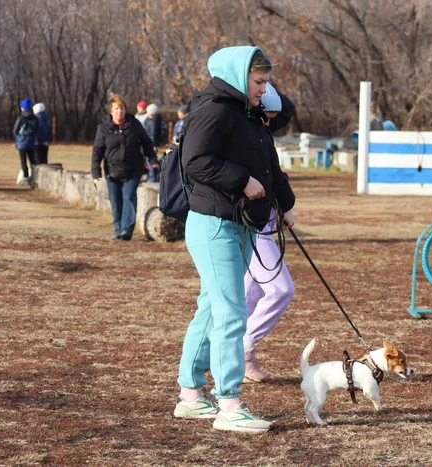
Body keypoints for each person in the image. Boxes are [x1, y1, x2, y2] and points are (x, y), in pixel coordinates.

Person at [174, 46, 295, 433]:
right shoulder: (213, 108)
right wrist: (242, 181)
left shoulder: (247, 113)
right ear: (238, 75)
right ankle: (229, 405)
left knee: (212, 308)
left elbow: (269, 165)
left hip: (239, 223)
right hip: (214, 225)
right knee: (231, 313)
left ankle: (191, 397)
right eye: (259, 81)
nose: (264, 89)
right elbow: (195, 161)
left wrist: (285, 204)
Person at [242, 82, 296, 383]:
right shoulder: (247, 136)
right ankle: (244, 347)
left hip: (266, 224)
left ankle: (238, 357)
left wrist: (269, 91)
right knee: (280, 289)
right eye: (268, 116)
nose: (273, 122)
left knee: (249, 294)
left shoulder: (262, 133)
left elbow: (286, 107)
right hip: (253, 228)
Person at [91, 94, 158, 241]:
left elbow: (146, 143)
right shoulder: (103, 128)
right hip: (111, 170)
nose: (119, 112)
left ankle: (126, 230)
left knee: (128, 197)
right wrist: (95, 172)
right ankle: (118, 228)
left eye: (122, 108)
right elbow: (97, 150)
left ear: (125, 110)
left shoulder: (134, 125)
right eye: (116, 109)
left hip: (132, 170)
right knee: (115, 201)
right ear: (111, 111)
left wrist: (152, 159)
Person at [12, 98, 39, 185]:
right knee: (32, 159)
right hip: (31, 141)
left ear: (23, 108)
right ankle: (35, 176)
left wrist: (17, 137)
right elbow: (37, 129)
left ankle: (26, 177)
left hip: (21, 141)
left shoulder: (21, 117)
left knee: (23, 161)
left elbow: (15, 129)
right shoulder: (34, 118)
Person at [143, 103, 162, 182]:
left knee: (151, 160)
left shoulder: (154, 121)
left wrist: (153, 145)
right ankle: (151, 176)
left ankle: (152, 177)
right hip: (148, 142)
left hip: (151, 144)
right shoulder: (149, 119)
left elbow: (153, 134)